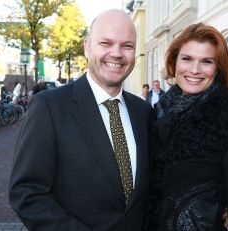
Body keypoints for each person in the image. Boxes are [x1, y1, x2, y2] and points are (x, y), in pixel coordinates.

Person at [9, 9, 153, 231]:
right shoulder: (49, 107)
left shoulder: (143, 112)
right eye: (105, 43)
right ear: (87, 47)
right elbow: (27, 193)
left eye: (127, 46)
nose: (117, 53)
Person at [143, 23, 228, 230]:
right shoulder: (161, 109)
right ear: (174, 62)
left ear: (218, 68)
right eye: (187, 58)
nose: (195, 70)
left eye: (206, 61)